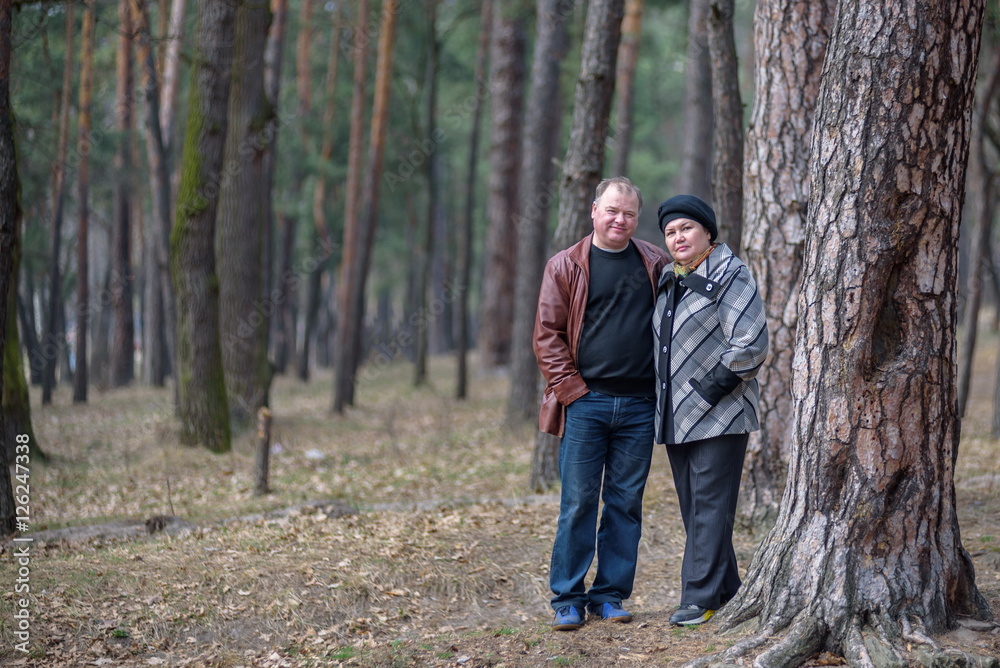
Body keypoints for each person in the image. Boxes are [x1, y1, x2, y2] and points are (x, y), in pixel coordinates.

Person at [533, 176, 670, 631]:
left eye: (629, 213)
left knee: (625, 504)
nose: (620, 219)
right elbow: (547, 337)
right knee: (577, 503)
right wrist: (574, 392)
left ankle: (609, 595)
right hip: (586, 405)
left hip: (638, 406)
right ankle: (567, 598)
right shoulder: (566, 265)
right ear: (594, 211)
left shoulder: (655, 262)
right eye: (612, 210)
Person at [652, 194, 769, 626]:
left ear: (707, 232)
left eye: (686, 228)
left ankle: (697, 599)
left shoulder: (731, 273)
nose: (678, 237)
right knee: (698, 508)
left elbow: (751, 343)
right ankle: (726, 590)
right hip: (676, 415)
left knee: (708, 506)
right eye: (670, 232)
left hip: (719, 412)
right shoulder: (669, 277)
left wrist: (707, 391)